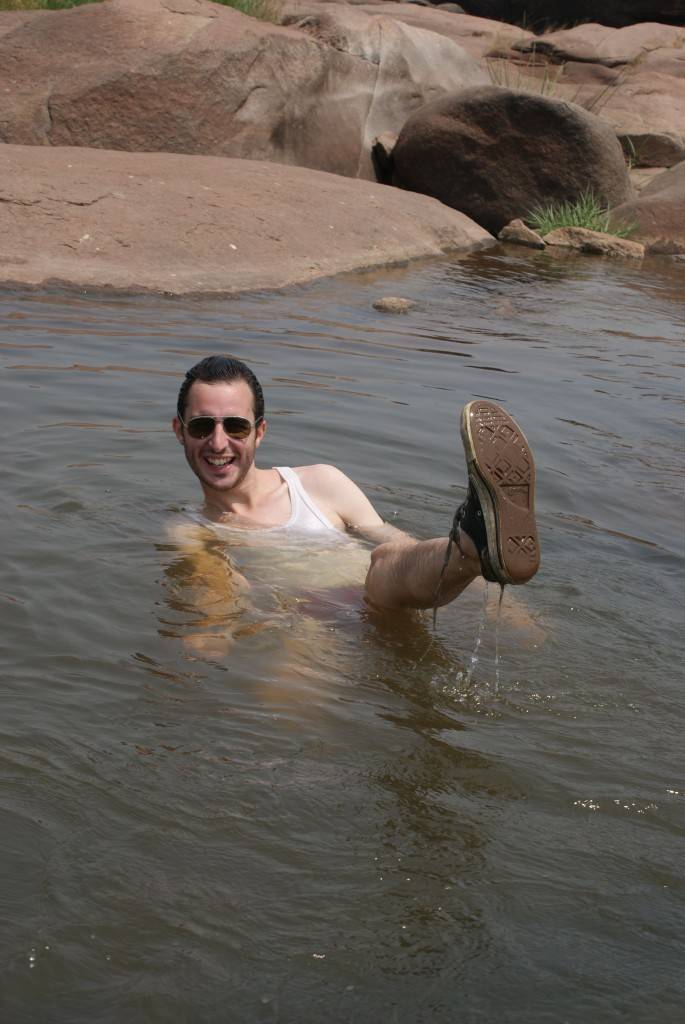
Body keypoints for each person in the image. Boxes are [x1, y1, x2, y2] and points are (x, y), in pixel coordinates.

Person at [171, 355, 540, 615]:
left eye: (235, 426)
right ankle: (473, 541)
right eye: (203, 427)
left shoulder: (318, 483)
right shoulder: (192, 531)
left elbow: (400, 545)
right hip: (309, 628)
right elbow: (227, 596)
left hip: (386, 596)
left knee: (382, 566)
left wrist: (509, 612)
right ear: (179, 432)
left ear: (260, 432)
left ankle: (474, 545)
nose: (218, 443)